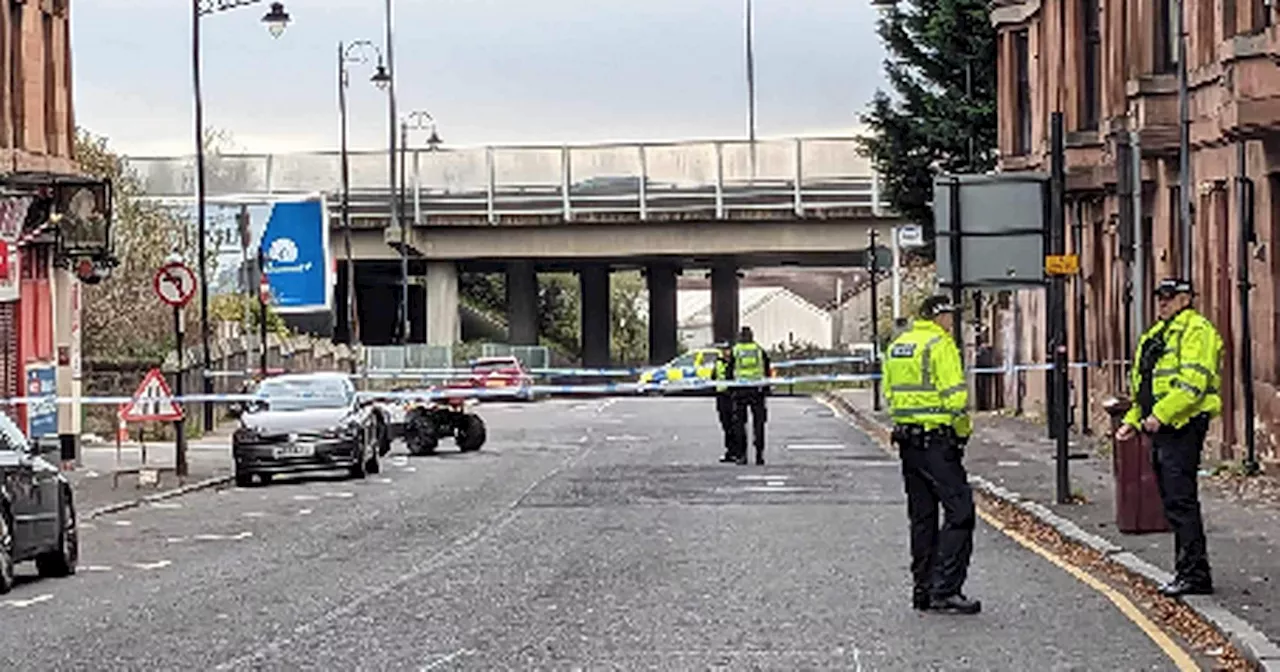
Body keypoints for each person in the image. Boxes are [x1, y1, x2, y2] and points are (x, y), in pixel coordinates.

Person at [1116, 278, 1223, 597]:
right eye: (1159, 297)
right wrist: (1133, 420)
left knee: (1180, 499)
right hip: (1161, 425)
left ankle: (1195, 574)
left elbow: (1193, 383)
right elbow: (1145, 386)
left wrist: (1161, 415)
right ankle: (1186, 569)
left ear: (1187, 298)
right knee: (1171, 500)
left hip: (1183, 423)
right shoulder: (1157, 333)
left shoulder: (1196, 330)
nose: (1162, 302)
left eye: (1170, 297)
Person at [882, 295, 980, 615]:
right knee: (960, 512)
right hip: (937, 441)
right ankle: (946, 588)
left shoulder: (899, 345)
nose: (953, 322)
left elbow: (889, 395)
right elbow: (955, 399)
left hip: (908, 443)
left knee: (922, 517)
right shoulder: (941, 345)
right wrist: (962, 432)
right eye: (950, 316)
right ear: (938, 316)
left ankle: (922, 589)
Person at [726, 326, 771, 465]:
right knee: (759, 424)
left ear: (740, 337)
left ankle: (742, 455)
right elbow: (767, 370)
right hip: (757, 390)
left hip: (740, 390)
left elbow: (729, 371)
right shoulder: (759, 350)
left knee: (740, 424)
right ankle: (759, 454)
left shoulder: (736, 350)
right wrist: (766, 388)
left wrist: (729, 389)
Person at [712, 342, 739, 464]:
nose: (725, 352)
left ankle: (737, 452)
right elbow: (714, 376)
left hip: (732, 396)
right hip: (721, 396)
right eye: (723, 350)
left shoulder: (735, 362)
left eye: (727, 349)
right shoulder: (718, 361)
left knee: (735, 425)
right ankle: (729, 452)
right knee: (726, 425)